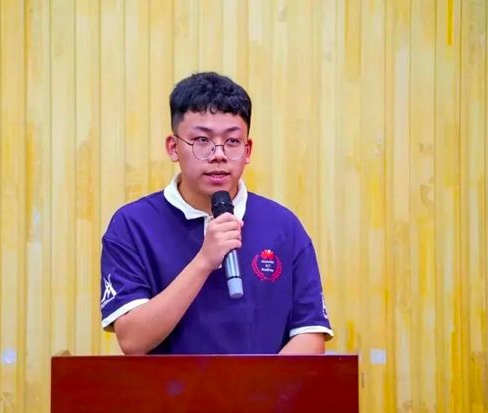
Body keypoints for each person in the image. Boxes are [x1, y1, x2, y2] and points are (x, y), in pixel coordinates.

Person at [99, 72, 333, 355]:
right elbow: (133, 341)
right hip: (169, 386)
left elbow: (310, 335)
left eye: (232, 141)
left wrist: (259, 383)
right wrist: (204, 261)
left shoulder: (283, 226)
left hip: (263, 386)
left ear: (247, 150)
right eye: (202, 140)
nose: (218, 154)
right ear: (173, 147)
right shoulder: (132, 225)